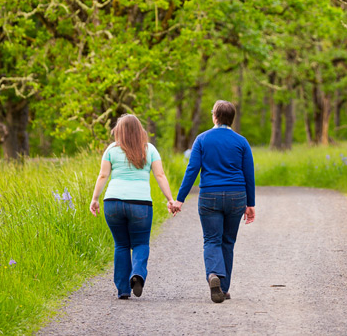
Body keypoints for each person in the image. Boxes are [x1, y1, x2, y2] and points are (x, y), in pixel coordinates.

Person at [171, 100, 256, 303]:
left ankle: (213, 275)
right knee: (228, 241)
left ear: (215, 117)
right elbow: (249, 174)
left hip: (209, 195)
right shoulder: (241, 142)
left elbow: (192, 171)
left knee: (211, 239)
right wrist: (250, 204)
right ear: (232, 119)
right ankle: (223, 288)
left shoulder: (201, 140)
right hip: (236, 196)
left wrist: (179, 199)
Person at [89, 114, 177, 300]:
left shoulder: (111, 150)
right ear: (140, 131)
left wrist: (95, 198)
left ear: (119, 131)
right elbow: (160, 175)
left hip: (112, 202)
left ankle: (123, 290)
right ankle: (137, 273)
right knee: (140, 243)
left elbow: (103, 176)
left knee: (121, 245)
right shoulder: (150, 149)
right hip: (140, 204)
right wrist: (170, 199)